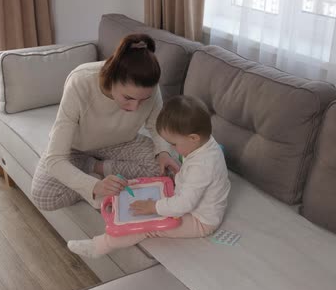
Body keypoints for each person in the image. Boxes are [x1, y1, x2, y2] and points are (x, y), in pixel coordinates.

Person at [31, 34, 180, 211]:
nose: (135, 108)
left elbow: (157, 126)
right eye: (128, 98)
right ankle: (90, 168)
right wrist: (92, 185)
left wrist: (163, 152)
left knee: (168, 171)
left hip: (121, 142)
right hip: (76, 147)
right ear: (112, 79)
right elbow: (55, 159)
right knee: (43, 196)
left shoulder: (150, 88)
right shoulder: (80, 82)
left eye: (143, 100)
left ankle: (97, 166)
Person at [67, 95, 231, 258]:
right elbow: (194, 177)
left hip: (200, 220)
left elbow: (184, 203)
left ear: (193, 138)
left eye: (174, 144)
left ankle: (99, 246)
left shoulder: (202, 166)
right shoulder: (204, 143)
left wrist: (153, 207)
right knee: (153, 188)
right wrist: (181, 175)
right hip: (188, 201)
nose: (172, 148)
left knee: (149, 226)